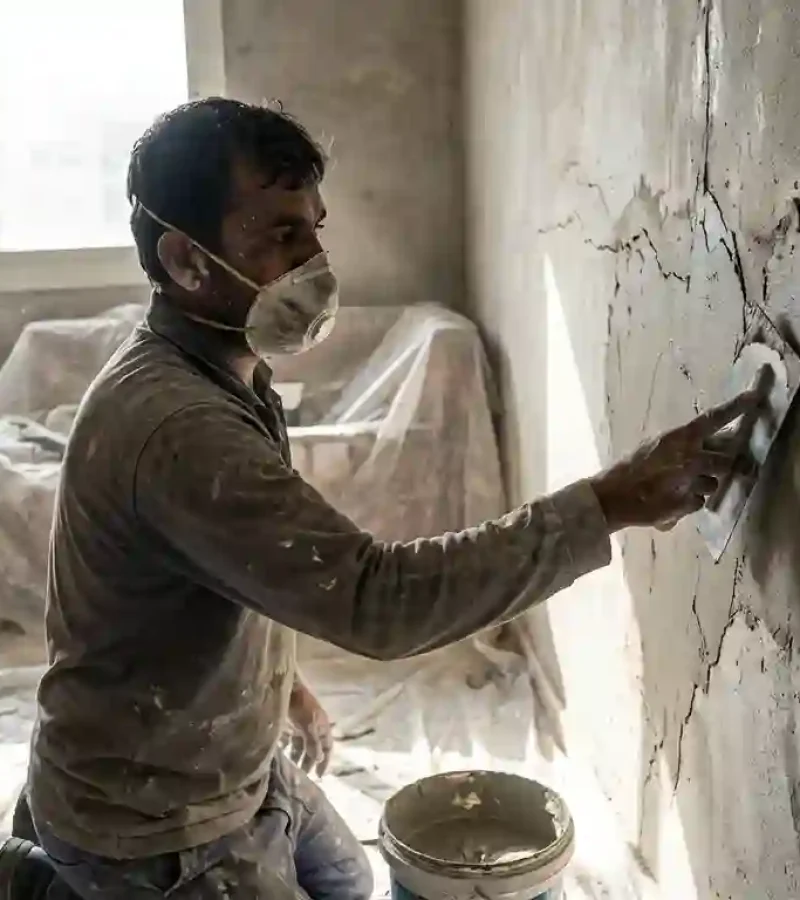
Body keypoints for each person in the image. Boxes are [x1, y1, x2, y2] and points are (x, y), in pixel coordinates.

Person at [0, 97, 754, 899]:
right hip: (152, 824)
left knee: (349, 881)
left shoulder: (223, 373)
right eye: (283, 236)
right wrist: (607, 502)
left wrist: (274, 686)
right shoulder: (182, 428)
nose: (318, 263)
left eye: (316, 228)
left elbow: (220, 572)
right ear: (187, 262)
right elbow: (375, 600)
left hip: (226, 762)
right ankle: (49, 884)